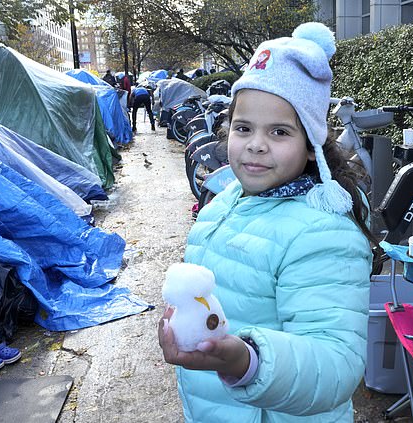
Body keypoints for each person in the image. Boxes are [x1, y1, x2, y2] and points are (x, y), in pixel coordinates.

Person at [158, 22, 375, 422]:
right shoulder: (224, 203)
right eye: (244, 128)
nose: (256, 144)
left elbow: (337, 365)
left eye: (279, 131)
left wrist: (247, 362)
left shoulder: (323, 234)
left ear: (311, 146)